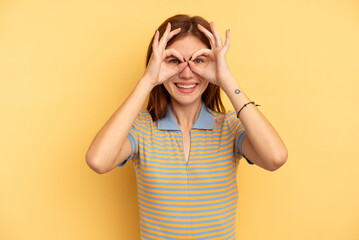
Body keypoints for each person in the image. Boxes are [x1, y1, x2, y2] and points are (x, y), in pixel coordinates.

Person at [86, 14, 287, 239]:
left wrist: (226, 80)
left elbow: (275, 158)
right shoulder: (142, 128)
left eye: (198, 60)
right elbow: (98, 161)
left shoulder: (229, 126)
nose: (186, 72)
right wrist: (148, 81)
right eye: (174, 60)